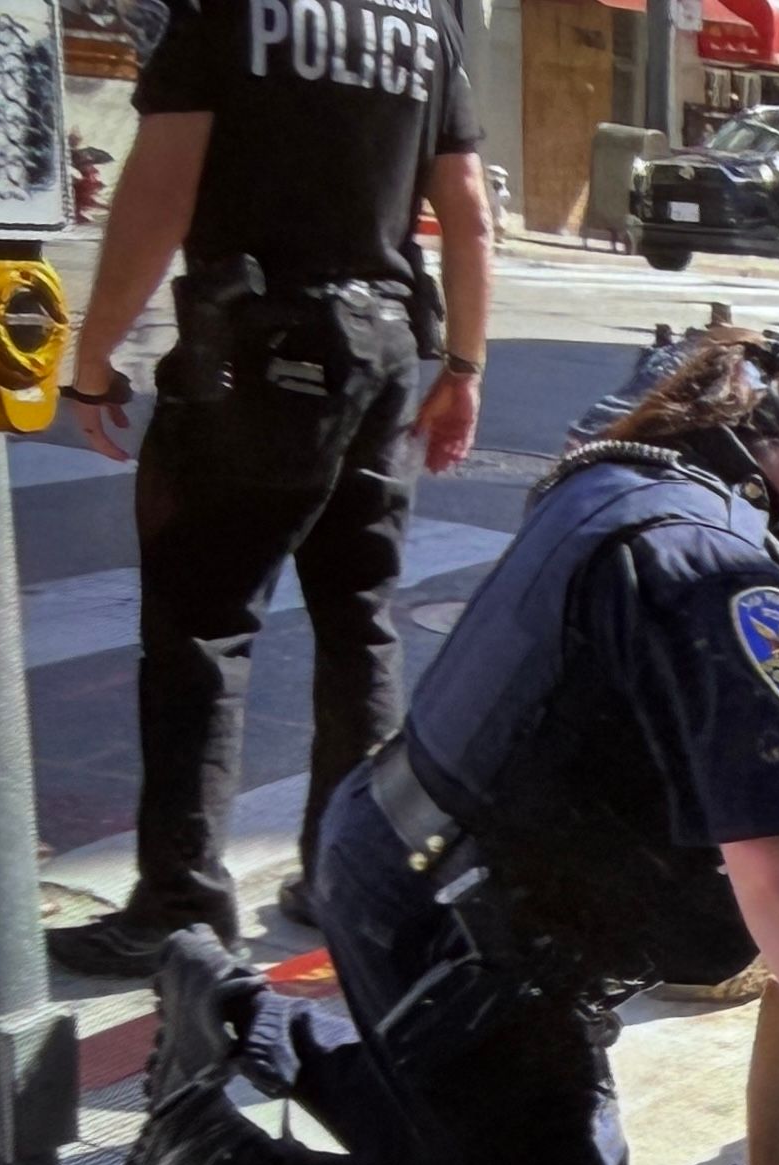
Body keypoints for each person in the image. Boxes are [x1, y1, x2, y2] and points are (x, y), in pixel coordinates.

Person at [107, 340, 779, 1165]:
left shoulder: (652, 478)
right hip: (461, 943)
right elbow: (773, 868)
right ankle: (211, 1155)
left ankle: (237, 1014)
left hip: (409, 869)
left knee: (485, 1136)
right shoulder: (731, 583)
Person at [48, 0, 493, 976]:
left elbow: (159, 191)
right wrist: (463, 364)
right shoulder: (424, 22)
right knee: (360, 620)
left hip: (257, 354)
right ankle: (344, 878)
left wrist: (93, 356)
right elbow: (465, 205)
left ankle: (180, 902)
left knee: (202, 629)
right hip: (383, 354)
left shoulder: (222, 10)